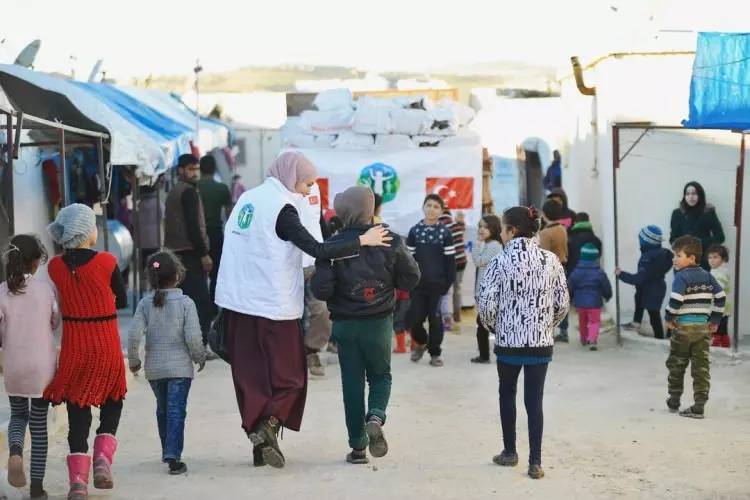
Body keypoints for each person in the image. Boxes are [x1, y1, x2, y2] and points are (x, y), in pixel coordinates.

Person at [214, 152, 391, 469]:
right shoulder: (282, 210)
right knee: (291, 377)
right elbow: (318, 249)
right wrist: (363, 240)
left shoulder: (248, 200)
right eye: (307, 183)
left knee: (251, 378)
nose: (310, 191)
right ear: (289, 175)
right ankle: (269, 425)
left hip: (237, 305)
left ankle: (260, 440)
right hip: (271, 305)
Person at [312, 186, 420, 465]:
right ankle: (376, 416)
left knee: (352, 383)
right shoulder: (391, 240)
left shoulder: (333, 245)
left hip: (346, 326)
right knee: (381, 376)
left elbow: (321, 290)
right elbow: (411, 278)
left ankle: (358, 447)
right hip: (379, 323)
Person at [44, 204, 128, 500]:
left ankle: (78, 482)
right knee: (113, 400)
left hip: (74, 348)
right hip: (105, 345)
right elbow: (120, 298)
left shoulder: (54, 266)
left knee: (77, 412)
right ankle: (103, 460)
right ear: (86, 231)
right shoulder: (107, 261)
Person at [478, 206, 569, 480]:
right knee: (535, 401)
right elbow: (562, 304)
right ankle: (535, 462)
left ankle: (509, 452)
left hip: (508, 343)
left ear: (512, 231)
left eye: (504, 229)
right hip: (540, 343)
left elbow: (486, 304)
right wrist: (546, 326)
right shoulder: (551, 261)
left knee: (507, 394)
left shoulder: (500, 261)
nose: (502, 234)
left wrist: (495, 326)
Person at [128, 251, 206, 476]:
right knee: (175, 411)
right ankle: (173, 456)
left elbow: (134, 335)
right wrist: (199, 356)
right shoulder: (185, 303)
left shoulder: (145, 304)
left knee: (163, 409)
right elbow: (192, 337)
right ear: (178, 275)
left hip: (155, 369)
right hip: (180, 368)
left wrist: (134, 360)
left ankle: (168, 450)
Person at [0, 235, 57, 499]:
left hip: (14, 366)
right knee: (38, 425)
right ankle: (36, 488)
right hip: (41, 370)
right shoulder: (45, 290)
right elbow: (54, 322)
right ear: (36, 263)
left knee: (18, 416)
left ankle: (14, 452)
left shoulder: (1, 291)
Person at [665, 236, 725, 419]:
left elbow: (676, 300)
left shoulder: (681, 277)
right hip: (702, 329)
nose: (674, 259)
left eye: (678, 255)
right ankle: (699, 406)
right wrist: (714, 320)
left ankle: (674, 399)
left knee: (677, 363)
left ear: (691, 258)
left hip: (683, 328)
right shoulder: (708, 276)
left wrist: (669, 317)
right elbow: (721, 297)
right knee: (701, 367)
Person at [164, 154, 214, 348]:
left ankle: (187, 342)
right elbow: (193, 227)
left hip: (176, 254)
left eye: (196, 169)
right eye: (190, 169)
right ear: (180, 170)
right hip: (190, 254)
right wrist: (204, 253)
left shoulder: (175, 191)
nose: (194, 173)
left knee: (183, 301)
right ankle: (199, 344)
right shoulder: (189, 193)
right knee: (200, 302)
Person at [406, 194, 456, 367]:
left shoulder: (445, 233)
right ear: (423, 207)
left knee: (435, 320)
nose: (432, 209)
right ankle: (421, 343)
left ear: (441, 211)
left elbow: (450, 260)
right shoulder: (414, 231)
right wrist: (408, 281)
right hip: (418, 286)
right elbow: (409, 260)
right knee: (415, 319)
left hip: (438, 286)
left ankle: (435, 353)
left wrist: (447, 283)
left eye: (436, 206)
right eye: (429, 205)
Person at [615, 226, 674, 339]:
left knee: (654, 315)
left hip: (650, 290)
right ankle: (636, 323)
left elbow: (639, 279)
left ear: (646, 241)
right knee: (640, 301)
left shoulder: (647, 258)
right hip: (656, 287)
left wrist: (621, 274)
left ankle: (659, 338)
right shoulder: (663, 253)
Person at [299, 180, 332, 377]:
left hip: (314, 261)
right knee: (291, 314)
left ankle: (313, 350)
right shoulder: (277, 195)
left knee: (322, 310)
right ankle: (292, 357)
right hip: (287, 265)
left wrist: (328, 250)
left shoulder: (315, 190)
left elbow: (318, 221)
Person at [196, 155, 232, 313]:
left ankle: (200, 305)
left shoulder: (194, 187)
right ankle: (213, 305)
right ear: (214, 168)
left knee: (199, 271)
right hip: (216, 233)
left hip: (197, 234)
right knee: (216, 271)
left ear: (200, 168)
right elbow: (229, 214)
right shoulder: (222, 188)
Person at [470, 214, 503, 364]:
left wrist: (476, 245)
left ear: (494, 229)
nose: (481, 230)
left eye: (485, 227)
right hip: (485, 292)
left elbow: (479, 261)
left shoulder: (495, 245)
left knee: (485, 325)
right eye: (480, 226)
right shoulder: (489, 244)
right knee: (486, 324)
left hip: (490, 293)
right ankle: (487, 354)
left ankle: (485, 355)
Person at [669, 181, 725, 270]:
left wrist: (698, 243)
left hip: (703, 262)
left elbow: (720, 237)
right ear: (684, 196)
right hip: (683, 262)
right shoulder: (677, 213)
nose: (691, 197)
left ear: (700, 195)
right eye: (687, 194)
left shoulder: (708, 212)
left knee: (701, 284)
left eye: (694, 193)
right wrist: (685, 245)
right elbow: (673, 239)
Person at [568, 244, 612, 351]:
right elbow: (605, 286)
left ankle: (583, 338)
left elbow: (570, 285)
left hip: (580, 303)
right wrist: (608, 295)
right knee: (594, 321)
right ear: (596, 258)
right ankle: (592, 340)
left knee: (582, 321)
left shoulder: (576, 272)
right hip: (595, 302)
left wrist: (570, 297)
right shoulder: (599, 272)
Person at [539, 200, 569, 342]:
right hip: (562, 266)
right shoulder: (562, 229)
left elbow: (543, 255)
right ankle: (564, 331)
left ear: (544, 215)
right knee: (561, 300)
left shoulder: (545, 233)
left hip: (550, 270)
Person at [439, 209, 467, 325]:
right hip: (461, 262)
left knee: (444, 291)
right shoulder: (456, 225)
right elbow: (462, 227)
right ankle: (457, 315)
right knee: (457, 289)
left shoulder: (439, 226)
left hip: (449, 263)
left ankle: (445, 316)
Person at [707, 244, 732, 348]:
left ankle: (715, 344)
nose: (712, 260)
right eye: (710, 257)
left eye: (715, 257)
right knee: (722, 328)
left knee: (715, 327)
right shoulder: (715, 271)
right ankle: (725, 342)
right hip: (723, 306)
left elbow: (718, 287)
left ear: (723, 259)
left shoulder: (721, 272)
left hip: (718, 306)